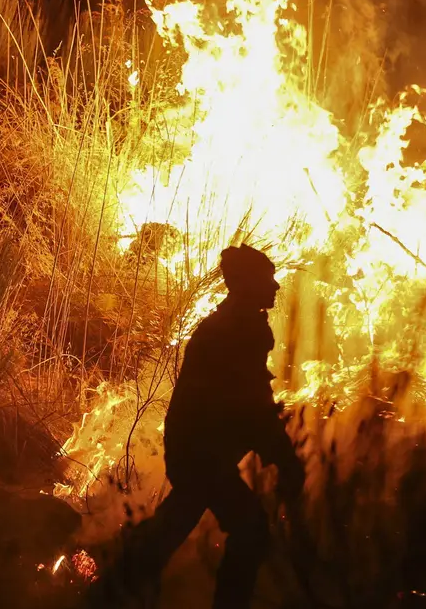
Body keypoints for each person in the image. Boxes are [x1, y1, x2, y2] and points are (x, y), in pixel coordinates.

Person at [92, 244, 305, 609]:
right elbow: (251, 405)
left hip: (197, 451)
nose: (276, 286)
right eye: (267, 278)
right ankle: (116, 591)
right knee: (250, 528)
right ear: (246, 283)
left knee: (176, 521)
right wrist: (284, 458)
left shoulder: (232, 324)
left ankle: (112, 591)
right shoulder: (236, 331)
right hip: (202, 454)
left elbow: (245, 406)